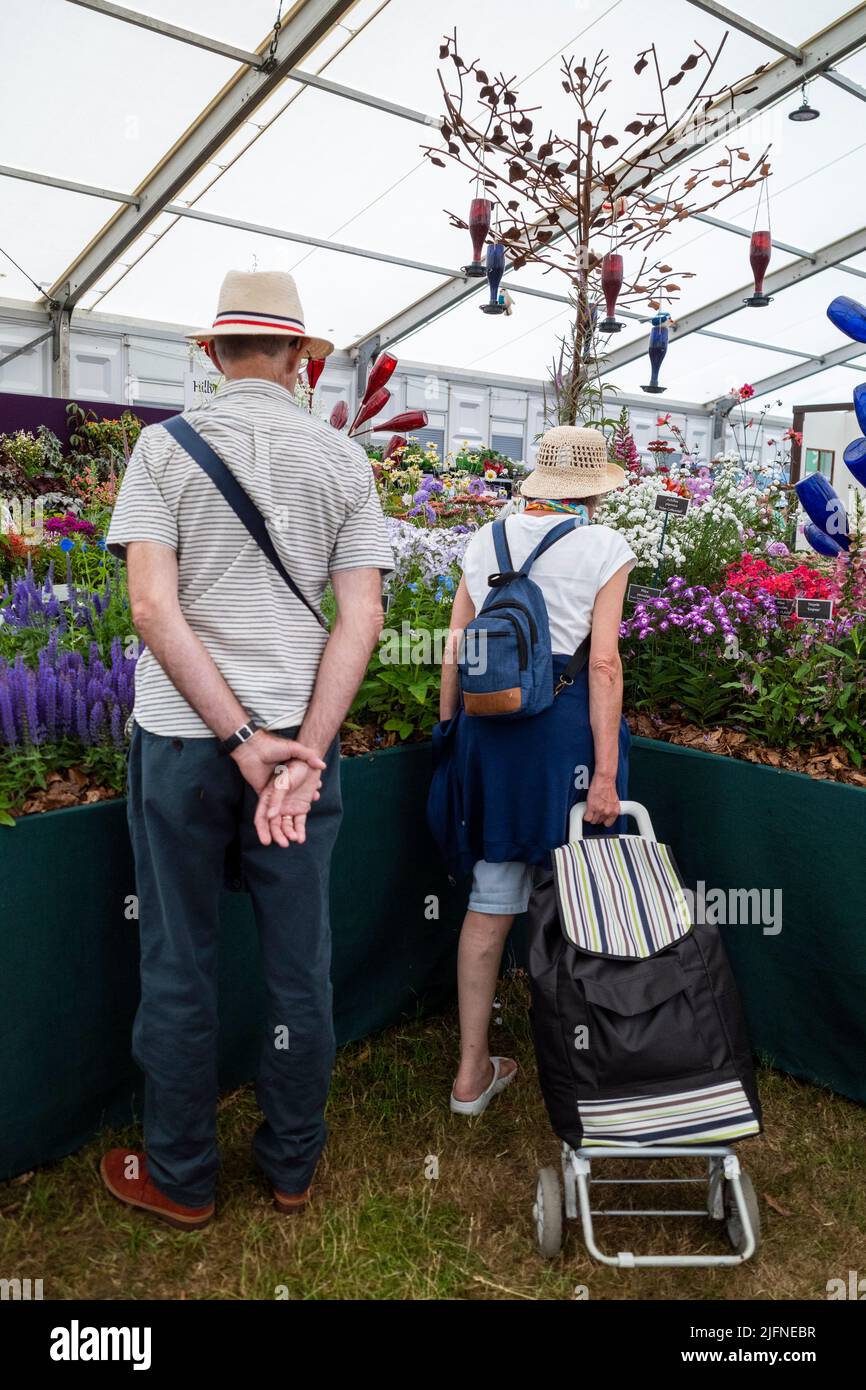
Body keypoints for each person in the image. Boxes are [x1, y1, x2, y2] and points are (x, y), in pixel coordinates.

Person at [100, 269, 393, 1229]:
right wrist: (301, 751)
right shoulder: (345, 462)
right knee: (298, 960)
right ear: (305, 360)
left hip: (188, 741)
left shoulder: (160, 451)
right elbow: (363, 620)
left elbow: (152, 608)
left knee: (179, 956)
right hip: (299, 752)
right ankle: (291, 1167)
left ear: (212, 352)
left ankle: (181, 1177)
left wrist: (235, 738)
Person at [428, 426, 636, 1116]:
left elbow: (454, 647)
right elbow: (603, 663)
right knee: (583, 896)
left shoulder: (484, 539)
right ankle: (590, 1060)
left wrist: (454, 735)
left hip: (490, 739)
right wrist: (605, 775)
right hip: (567, 738)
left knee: (490, 903)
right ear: (592, 490)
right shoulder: (605, 546)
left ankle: (469, 1076)